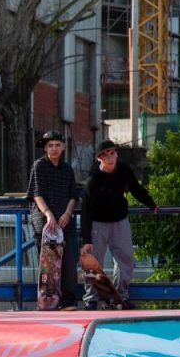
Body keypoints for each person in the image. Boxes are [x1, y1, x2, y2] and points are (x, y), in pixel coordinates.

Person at [80, 140, 158, 310]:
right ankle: (91, 299)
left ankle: (120, 296)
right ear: (99, 159)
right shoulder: (93, 179)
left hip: (119, 221)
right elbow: (85, 208)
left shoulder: (123, 170)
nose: (110, 158)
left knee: (126, 259)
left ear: (116, 154)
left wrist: (151, 204)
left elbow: (136, 188)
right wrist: (86, 238)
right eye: (105, 155)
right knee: (94, 262)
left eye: (112, 153)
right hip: (98, 223)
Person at [26, 130, 79, 310]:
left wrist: (67, 213)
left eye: (57, 145)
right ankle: (48, 302)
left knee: (69, 263)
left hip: (65, 221)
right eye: (50, 146)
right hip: (45, 222)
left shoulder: (68, 169)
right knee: (48, 264)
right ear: (45, 149)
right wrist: (48, 214)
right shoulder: (39, 166)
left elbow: (73, 195)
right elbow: (36, 194)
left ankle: (68, 301)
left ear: (63, 147)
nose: (54, 149)